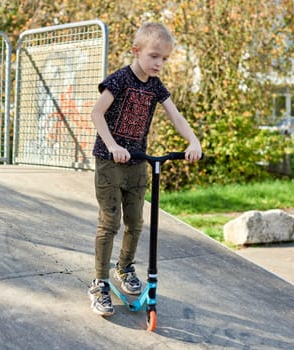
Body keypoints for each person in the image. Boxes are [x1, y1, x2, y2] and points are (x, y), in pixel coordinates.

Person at [88, 22, 203, 316]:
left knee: (136, 222)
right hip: (109, 161)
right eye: (154, 56)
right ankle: (99, 282)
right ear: (136, 51)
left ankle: (124, 269)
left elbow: (175, 115)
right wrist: (113, 145)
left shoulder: (155, 87)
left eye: (164, 59)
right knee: (110, 222)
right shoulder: (119, 80)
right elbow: (96, 113)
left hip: (138, 161)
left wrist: (193, 140)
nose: (159, 63)